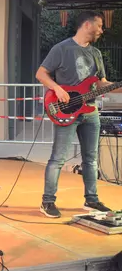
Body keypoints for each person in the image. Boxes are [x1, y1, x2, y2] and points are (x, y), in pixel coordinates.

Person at [36, 11, 115, 218]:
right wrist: (58, 89)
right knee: (58, 159)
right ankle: (47, 201)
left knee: (91, 159)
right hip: (66, 110)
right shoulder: (61, 49)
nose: (101, 30)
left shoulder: (96, 54)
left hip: (90, 112)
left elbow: (100, 83)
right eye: (99, 25)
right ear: (87, 25)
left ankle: (92, 200)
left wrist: (112, 87)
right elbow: (41, 73)